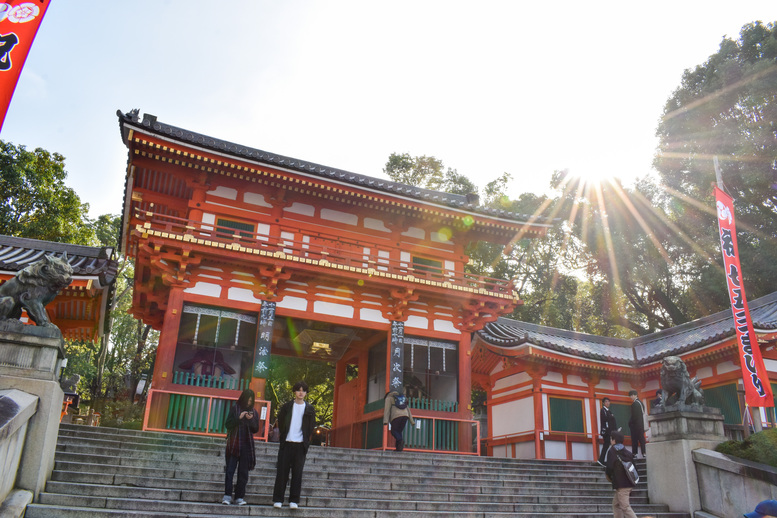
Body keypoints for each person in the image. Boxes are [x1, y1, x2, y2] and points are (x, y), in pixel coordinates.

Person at [273, 381, 316, 509]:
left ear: (306, 393)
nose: (301, 392)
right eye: (298, 390)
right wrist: (283, 435)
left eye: (303, 390)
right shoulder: (287, 407)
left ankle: (294, 500)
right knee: (282, 473)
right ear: (294, 392)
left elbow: (311, 426)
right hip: (287, 443)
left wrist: (306, 443)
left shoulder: (309, 409)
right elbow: (281, 421)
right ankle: (278, 499)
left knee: (297, 474)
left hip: (300, 445)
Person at [222, 389, 259, 506]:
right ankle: (227, 496)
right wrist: (239, 418)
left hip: (247, 446)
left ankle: (239, 497)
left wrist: (250, 419)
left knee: (243, 473)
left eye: (250, 401)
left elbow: (255, 429)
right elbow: (227, 424)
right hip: (234, 444)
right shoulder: (235, 409)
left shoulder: (253, 412)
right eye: (247, 400)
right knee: (230, 470)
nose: (249, 403)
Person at [605, 431, 638, 518]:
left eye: (611, 439)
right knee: (616, 504)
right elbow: (634, 467)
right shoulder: (627, 452)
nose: (610, 440)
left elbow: (609, 468)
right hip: (629, 482)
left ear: (614, 440)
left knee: (625, 507)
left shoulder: (612, 451)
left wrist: (608, 476)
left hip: (621, 484)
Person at [383, 387, 415, 452]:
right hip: (405, 416)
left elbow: (387, 410)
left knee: (394, 431)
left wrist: (385, 421)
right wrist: (412, 421)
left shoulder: (388, 398)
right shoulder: (402, 398)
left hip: (396, 416)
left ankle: (400, 441)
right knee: (399, 431)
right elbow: (408, 409)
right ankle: (399, 448)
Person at [598, 397, 618, 466]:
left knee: (608, 446)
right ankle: (601, 460)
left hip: (611, 431)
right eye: (606, 401)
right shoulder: (603, 410)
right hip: (607, 431)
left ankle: (603, 460)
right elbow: (604, 419)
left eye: (608, 401)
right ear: (603, 403)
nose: (608, 403)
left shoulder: (609, 411)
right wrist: (611, 416)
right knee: (606, 446)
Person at [628, 389, 646, 458]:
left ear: (636, 395)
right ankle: (644, 452)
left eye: (632, 395)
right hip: (641, 424)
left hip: (635, 425)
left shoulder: (634, 404)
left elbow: (634, 416)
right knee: (642, 439)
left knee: (634, 439)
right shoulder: (641, 403)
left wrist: (630, 422)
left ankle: (634, 453)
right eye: (630, 396)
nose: (631, 397)